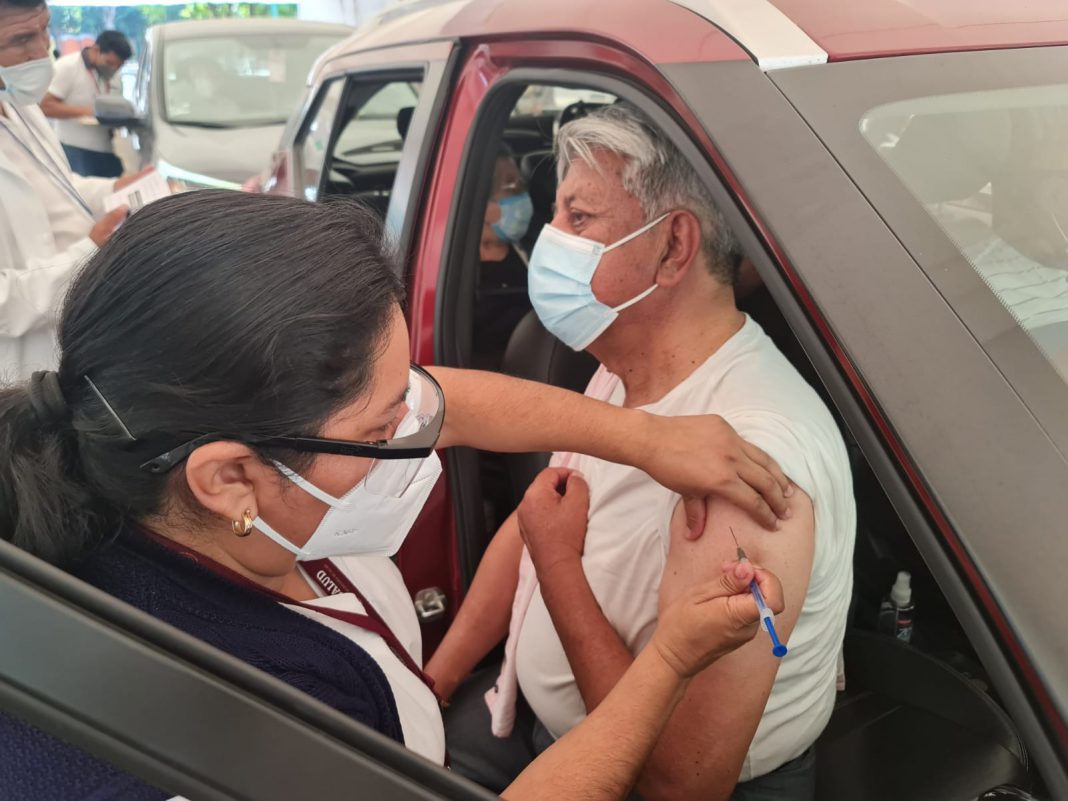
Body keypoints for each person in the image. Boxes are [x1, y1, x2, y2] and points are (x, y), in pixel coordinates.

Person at [0, 190, 792, 800]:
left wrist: (650, 437)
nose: (414, 438)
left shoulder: (156, 477)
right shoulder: (230, 728)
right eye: (383, 431)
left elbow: (446, 402)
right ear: (228, 478)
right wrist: (669, 661)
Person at [426, 104, 857, 800]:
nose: (550, 239)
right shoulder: (626, 367)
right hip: (540, 727)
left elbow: (676, 782)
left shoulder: (746, 468)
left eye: (578, 217)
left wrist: (558, 563)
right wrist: (437, 681)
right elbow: (539, 519)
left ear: (673, 246)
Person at [0, 0, 150, 381]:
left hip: (79, 318)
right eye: (20, 39)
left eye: (44, 29)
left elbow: (57, 185)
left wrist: (115, 187)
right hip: (25, 364)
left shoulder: (19, 105)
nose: (42, 51)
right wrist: (88, 251)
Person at [41, 29, 131, 178]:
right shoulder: (68, 66)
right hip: (75, 149)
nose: (113, 69)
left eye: (118, 66)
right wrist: (86, 111)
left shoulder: (113, 75)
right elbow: (45, 106)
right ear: (96, 50)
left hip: (107, 149)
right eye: (109, 63)